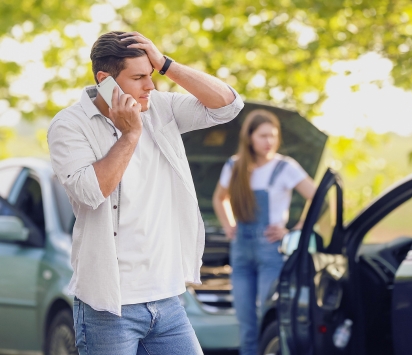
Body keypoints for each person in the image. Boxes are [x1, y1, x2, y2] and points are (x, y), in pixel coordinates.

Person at [47, 31, 244, 355]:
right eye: (139, 77)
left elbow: (228, 106)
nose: (150, 86)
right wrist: (130, 134)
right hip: (109, 307)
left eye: (151, 75)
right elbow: (91, 192)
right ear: (105, 80)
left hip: (167, 300)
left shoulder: (160, 107)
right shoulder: (69, 125)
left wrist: (166, 65)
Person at [212, 109, 317, 355]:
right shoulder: (235, 166)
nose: (269, 141)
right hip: (241, 252)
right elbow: (220, 198)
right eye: (263, 136)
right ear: (249, 138)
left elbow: (318, 198)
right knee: (246, 321)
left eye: (273, 136)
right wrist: (229, 226)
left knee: (268, 318)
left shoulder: (285, 167)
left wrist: (294, 230)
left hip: (272, 253)